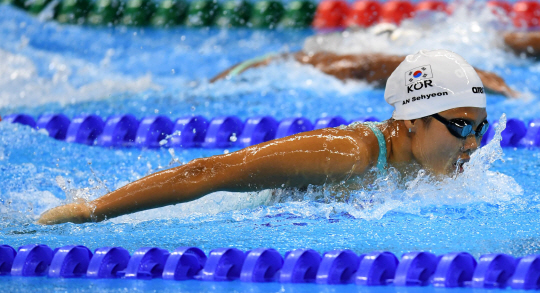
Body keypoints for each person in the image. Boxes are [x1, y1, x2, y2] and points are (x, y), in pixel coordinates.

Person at [38, 49, 490, 225]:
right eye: (460, 127)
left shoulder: (427, 166)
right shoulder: (349, 154)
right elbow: (212, 170)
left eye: (479, 128)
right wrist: (93, 211)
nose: (472, 145)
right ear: (412, 119)